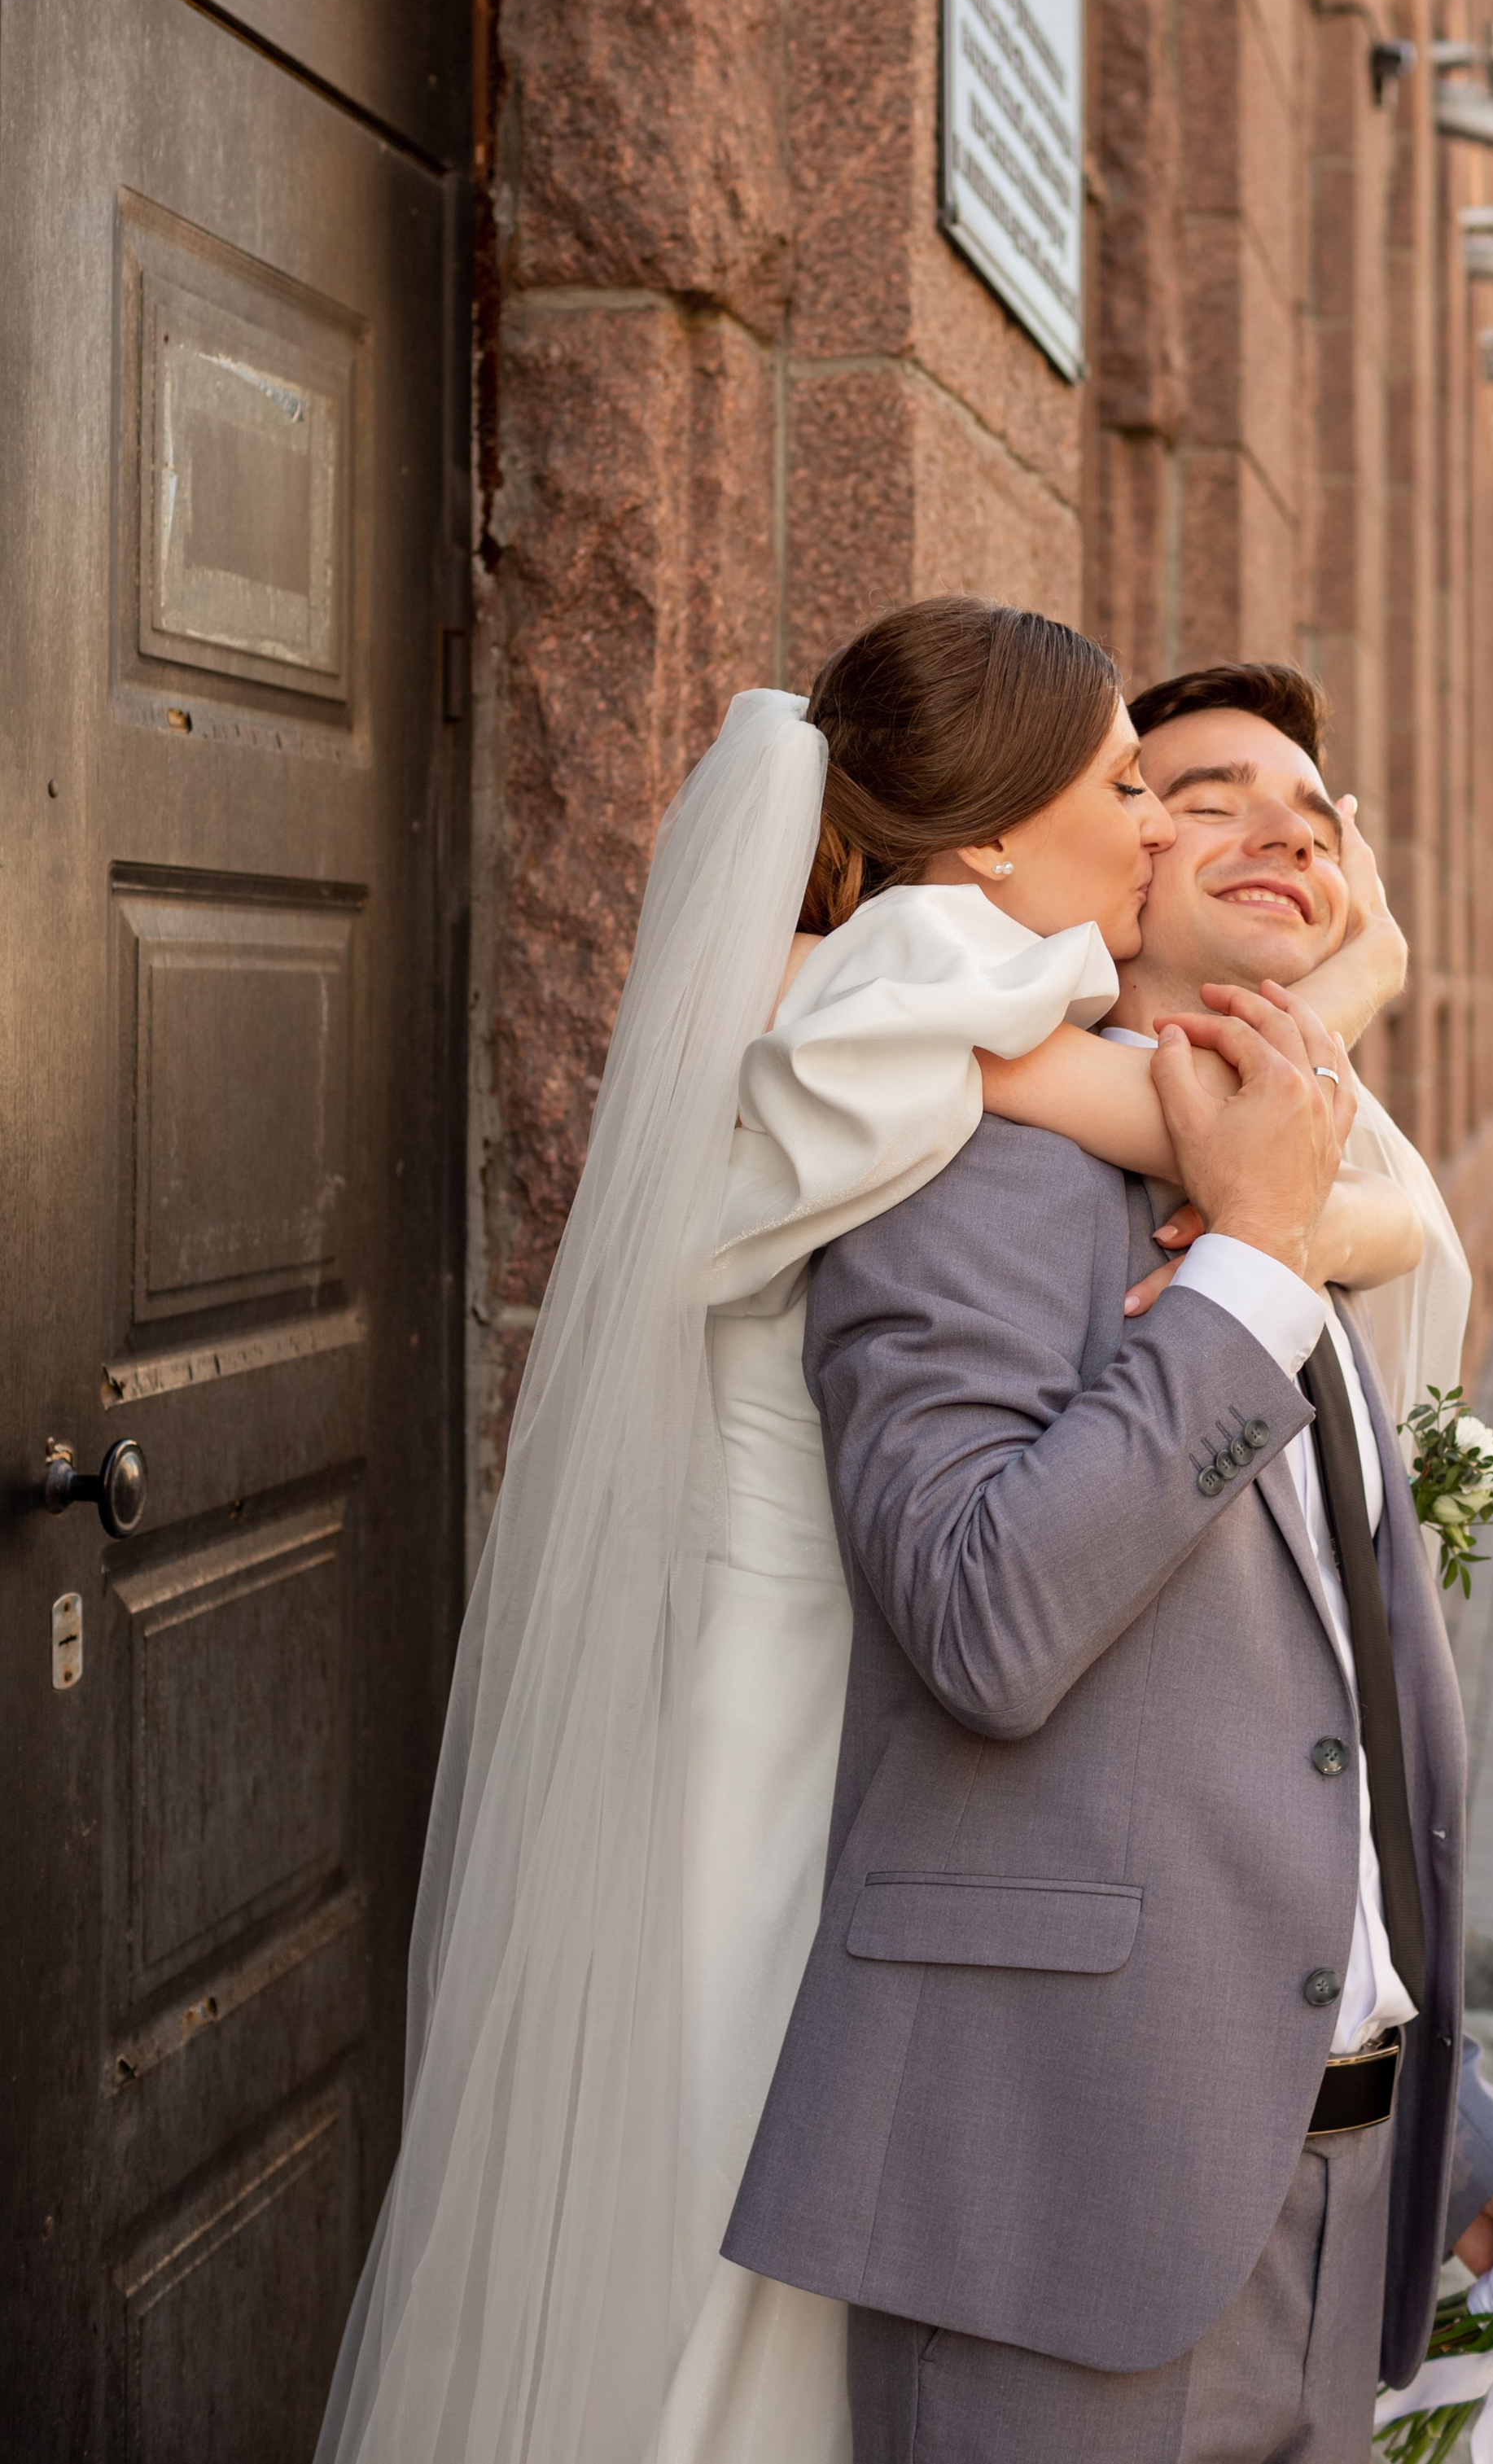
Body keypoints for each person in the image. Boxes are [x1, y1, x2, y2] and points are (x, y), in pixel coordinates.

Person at [317, 602, 1421, 2464]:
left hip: (848, 1747)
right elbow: (1278, 1200)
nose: (1159, 825)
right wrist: (1303, 1109)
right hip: (821, 1773)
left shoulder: (942, 992)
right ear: (993, 839)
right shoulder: (926, 993)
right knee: (735, 2324)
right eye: (1133, 784)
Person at [725, 662, 1493, 2463]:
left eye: (1314, 808)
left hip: (1338, 2209)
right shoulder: (954, 1154)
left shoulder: (1323, 1178)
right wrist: (1248, 1257)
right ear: (1081, 856)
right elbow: (982, 1619)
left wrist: (1458, 2126)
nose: (1280, 824)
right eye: (1191, 788)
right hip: (1060, 2204)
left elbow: (1303, 1732)